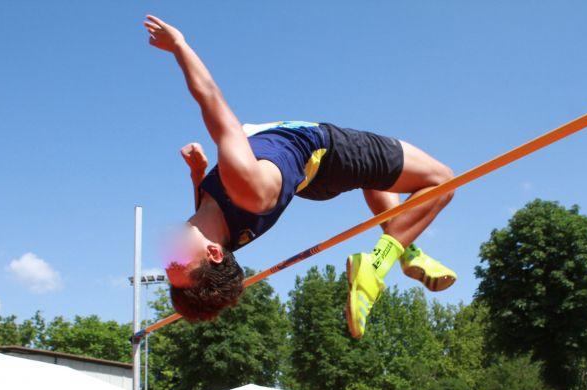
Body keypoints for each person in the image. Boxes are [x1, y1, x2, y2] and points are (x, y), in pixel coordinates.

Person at [144, 15, 457, 339]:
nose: (168, 249)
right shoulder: (246, 187)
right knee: (442, 180)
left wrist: (197, 173)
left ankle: (409, 251)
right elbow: (210, 98)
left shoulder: (209, 222)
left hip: (308, 180)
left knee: (376, 178)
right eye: (177, 258)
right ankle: (376, 267)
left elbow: (202, 210)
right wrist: (179, 46)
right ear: (213, 253)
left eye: (166, 261)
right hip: (329, 155)